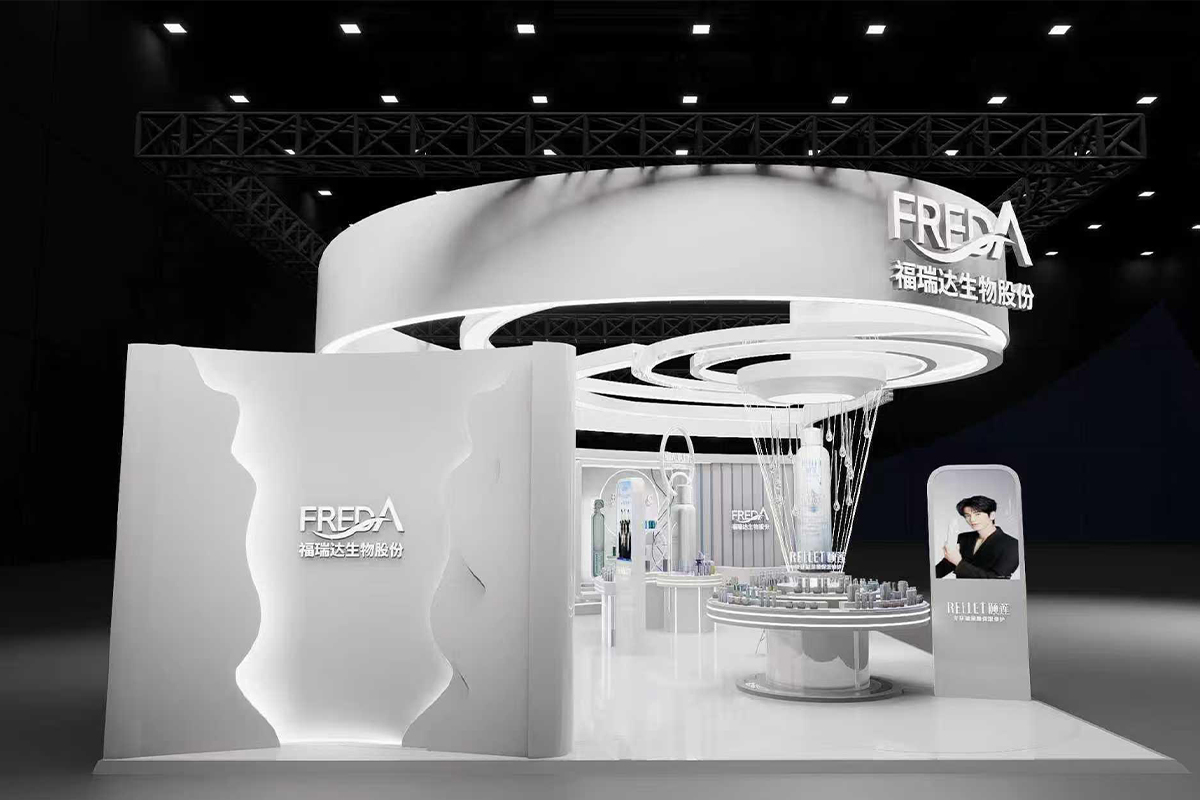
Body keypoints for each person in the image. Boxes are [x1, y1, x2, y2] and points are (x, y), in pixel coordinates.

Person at [935, 495, 1019, 579]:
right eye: (967, 515)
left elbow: (998, 580)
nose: (972, 519)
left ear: (992, 515)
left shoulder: (1013, 545)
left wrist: (958, 562)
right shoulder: (963, 538)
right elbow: (941, 569)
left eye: (977, 514)